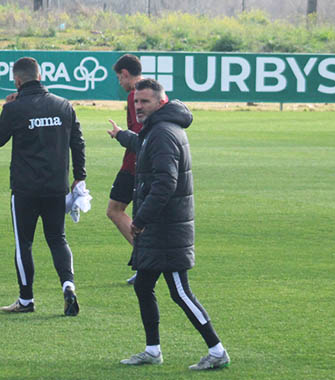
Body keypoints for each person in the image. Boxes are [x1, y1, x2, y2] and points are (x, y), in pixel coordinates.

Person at [108, 78, 230, 370]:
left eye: (145, 102)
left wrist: (140, 220)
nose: (138, 107)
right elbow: (142, 145)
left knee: (180, 291)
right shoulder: (156, 129)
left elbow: (165, 183)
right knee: (144, 286)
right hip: (160, 227)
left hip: (166, 229)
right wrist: (122, 135)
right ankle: (152, 350)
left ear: (160, 102)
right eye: (136, 102)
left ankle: (217, 350)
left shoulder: (162, 132)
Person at [0, 57, 86, 316]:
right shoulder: (63, 105)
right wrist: (79, 176)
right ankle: (68, 286)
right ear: (40, 76)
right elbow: (77, 142)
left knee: (24, 244)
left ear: (17, 80)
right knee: (58, 239)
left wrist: (5, 109)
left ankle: (26, 299)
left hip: (25, 188)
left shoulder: (15, 109)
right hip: (57, 186)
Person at [108, 54, 143, 285]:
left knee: (114, 210)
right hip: (148, 163)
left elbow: (140, 133)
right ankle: (145, 260)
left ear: (125, 74)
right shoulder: (153, 91)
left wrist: (120, 134)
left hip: (134, 163)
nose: (120, 82)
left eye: (119, 77)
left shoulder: (134, 96)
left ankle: (146, 259)